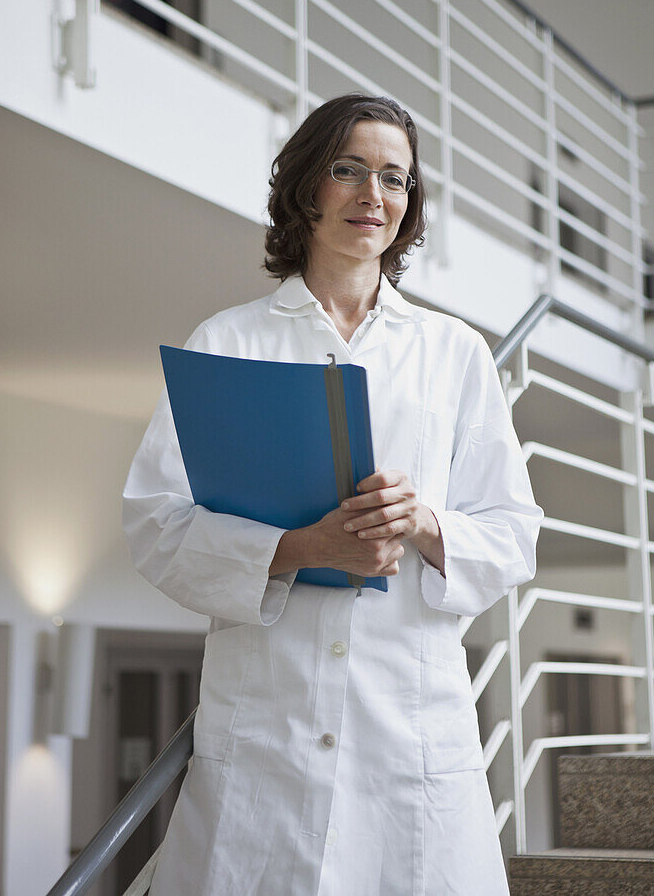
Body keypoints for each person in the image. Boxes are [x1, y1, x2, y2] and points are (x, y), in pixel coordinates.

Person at [123, 93, 543, 895]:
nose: (373, 196)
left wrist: (421, 522)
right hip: (264, 733)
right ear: (306, 186)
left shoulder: (454, 353)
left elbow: (512, 531)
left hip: (408, 731)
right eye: (348, 170)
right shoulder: (229, 340)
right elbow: (155, 523)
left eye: (395, 178)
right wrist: (298, 549)